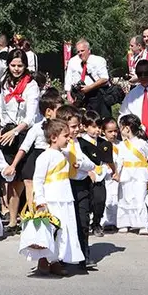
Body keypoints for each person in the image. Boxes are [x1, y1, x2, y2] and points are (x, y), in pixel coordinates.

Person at [22, 119, 83, 276]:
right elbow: (38, 180)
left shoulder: (64, 154)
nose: (68, 139)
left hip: (65, 197)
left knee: (63, 229)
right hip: (51, 198)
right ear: (54, 137)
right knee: (50, 229)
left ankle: (56, 260)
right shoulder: (44, 156)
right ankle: (43, 258)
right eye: (65, 136)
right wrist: (40, 200)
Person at [0, 50, 41, 229]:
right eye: (13, 65)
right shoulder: (5, 83)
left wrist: (15, 132)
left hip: (24, 133)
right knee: (11, 180)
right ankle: (13, 220)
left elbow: (30, 117)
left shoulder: (32, 85)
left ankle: (33, 217)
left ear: (25, 66)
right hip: (7, 132)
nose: (16, 69)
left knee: (28, 179)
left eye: (20, 65)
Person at [58, 106, 98, 269]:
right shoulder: (60, 145)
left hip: (81, 185)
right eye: (73, 127)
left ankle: (84, 255)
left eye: (77, 126)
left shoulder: (79, 143)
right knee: (66, 222)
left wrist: (80, 163)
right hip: (65, 185)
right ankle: (61, 257)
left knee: (83, 221)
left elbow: (90, 164)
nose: (77, 130)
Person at [114, 114, 148, 235]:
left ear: (127, 128)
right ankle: (124, 223)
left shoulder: (142, 143)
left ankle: (142, 224)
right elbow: (119, 160)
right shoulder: (120, 145)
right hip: (126, 173)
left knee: (139, 198)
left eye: (120, 127)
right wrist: (117, 173)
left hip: (140, 173)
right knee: (124, 197)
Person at [64, 39, 110, 118]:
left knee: (100, 120)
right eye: (78, 52)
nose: (80, 53)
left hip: (97, 95)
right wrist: (69, 95)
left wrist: (89, 87)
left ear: (89, 50)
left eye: (82, 51)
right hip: (81, 96)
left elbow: (105, 78)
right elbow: (68, 78)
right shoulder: (73, 61)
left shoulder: (98, 60)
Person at [99, 117, 122, 232]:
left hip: (119, 175)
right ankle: (106, 221)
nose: (113, 134)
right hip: (106, 175)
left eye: (115, 131)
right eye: (110, 131)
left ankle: (117, 221)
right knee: (107, 198)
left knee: (117, 197)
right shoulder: (101, 144)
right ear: (103, 131)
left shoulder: (121, 145)